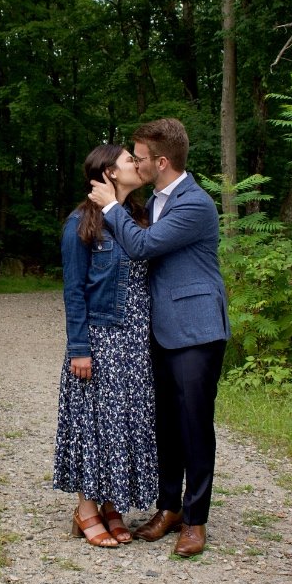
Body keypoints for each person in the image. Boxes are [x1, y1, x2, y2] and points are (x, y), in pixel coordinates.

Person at [88, 118, 230, 557]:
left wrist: (111, 206)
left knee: (193, 425)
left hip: (197, 329)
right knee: (165, 425)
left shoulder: (194, 204)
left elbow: (144, 248)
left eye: (141, 156)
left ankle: (195, 520)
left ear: (162, 161)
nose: (136, 161)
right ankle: (167, 507)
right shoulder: (154, 200)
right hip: (162, 330)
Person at [53, 144, 158, 548]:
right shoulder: (81, 222)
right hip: (99, 338)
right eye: (130, 160)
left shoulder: (137, 218)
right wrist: (79, 347)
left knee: (123, 424)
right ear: (110, 173)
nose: (137, 163)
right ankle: (85, 510)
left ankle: (110, 505)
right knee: (93, 424)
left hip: (135, 341)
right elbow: (74, 291)